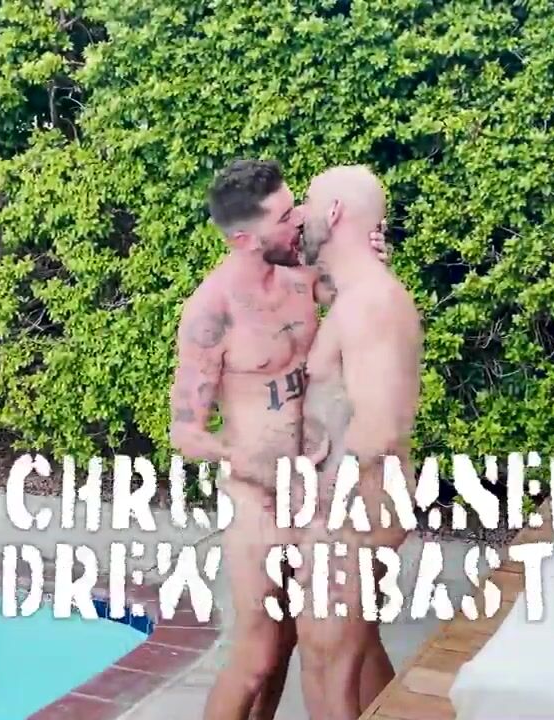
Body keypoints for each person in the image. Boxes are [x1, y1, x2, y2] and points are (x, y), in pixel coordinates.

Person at [167, 158, 386, 720]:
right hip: (257, 499)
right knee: (258, 656)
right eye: (285, 216)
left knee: (326, 638)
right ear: (244, 238)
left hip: (317, 492)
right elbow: (185, 431)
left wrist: (369, 261)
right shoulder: (211, 311)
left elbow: (362, 309)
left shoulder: (303, 274)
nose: (300, 220)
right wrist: (237, 455)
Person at [295, 164, 424, 719]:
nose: (299, 217)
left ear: (333, 212)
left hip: (352, 511)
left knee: (327, 665)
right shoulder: (358, 295)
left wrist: (325, 510)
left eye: (307, 204)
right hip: (351, 507)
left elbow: (381, 426)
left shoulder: (370, 302)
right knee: (357, 654)